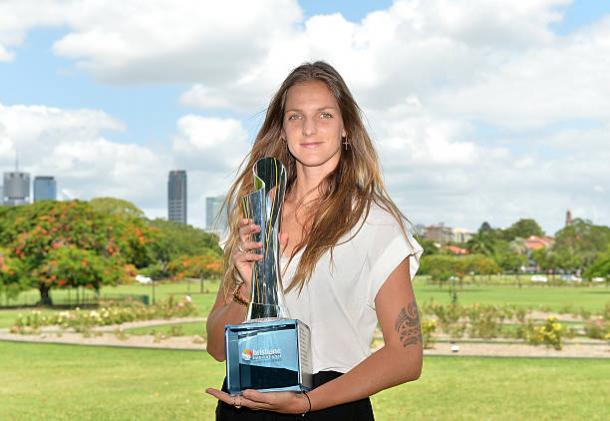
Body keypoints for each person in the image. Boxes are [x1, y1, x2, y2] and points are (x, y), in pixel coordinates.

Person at [206, 61, 424, 420]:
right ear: (283, 129)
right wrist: (247, 289)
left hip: (329, 408)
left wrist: (307, 402)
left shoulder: (375, 223)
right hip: (246, 406)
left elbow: (406, 357)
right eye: (295, 116)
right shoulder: (256, 214)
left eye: (324, 115)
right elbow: (217, 347)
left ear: (346, 129)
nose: (308, 128)